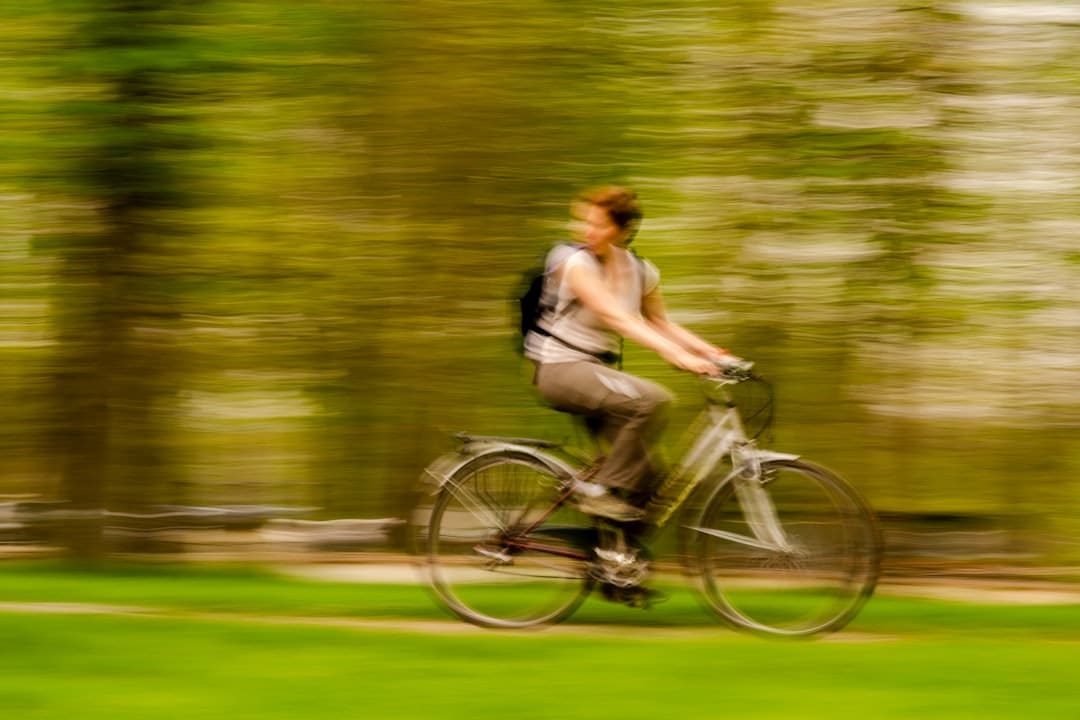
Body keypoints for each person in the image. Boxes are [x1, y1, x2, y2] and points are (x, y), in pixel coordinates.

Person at [525, 187, 734, 523]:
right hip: (560, 368)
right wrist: (677, 356)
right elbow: (615, 317)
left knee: (650, 479)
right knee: (652, 399)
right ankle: (602, 494)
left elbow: (661, 322)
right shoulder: (573, 263)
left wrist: (714, 354)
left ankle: (615, 563)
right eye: (584, 222)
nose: (585, 231)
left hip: (595, 375)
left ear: (622, 231)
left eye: (599, 225)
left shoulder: (642, 272)